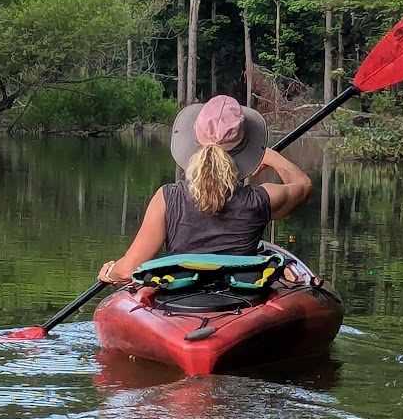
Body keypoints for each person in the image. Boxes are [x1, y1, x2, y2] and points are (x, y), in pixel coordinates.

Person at [98, 94, 313, 283]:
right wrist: (272, 157)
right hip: (239, 303)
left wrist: (110, 272)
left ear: (193, 142)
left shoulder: (167, 198)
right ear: (245, 148)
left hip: (181, 305)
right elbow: (304, 186)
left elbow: (127, 271)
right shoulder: (263, 199)